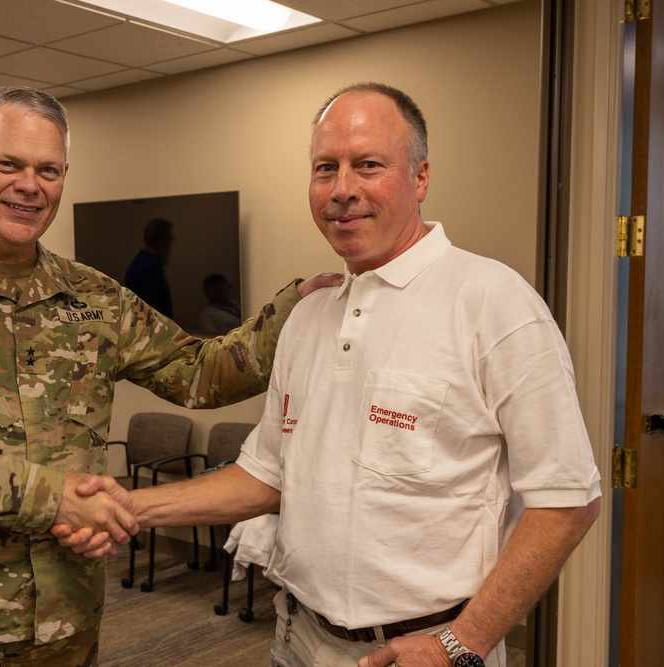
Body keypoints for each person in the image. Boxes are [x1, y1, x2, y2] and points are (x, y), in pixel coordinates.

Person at [58, 83, 601, 667]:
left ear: (420, 178)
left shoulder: (493, 302)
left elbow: (568, 499)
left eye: (368, 165)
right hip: (295, 637)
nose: (343, 190)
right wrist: (132, 507)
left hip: (422, 650)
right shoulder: (309, 315)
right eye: (325, 168)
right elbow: (265, 477)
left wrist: (461, 644)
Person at [0, 86, 341, 666]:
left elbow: (201, 373)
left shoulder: (94, 297)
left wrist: (297, 304)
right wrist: (53, 499)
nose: (30, 185)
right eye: (8, 163)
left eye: (49, 169)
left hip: (64, 624)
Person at [124, 217, 175, 316]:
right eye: (169, 237)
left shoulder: (145, 264)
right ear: (160, 238)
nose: (171, 241)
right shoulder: (148, 268)